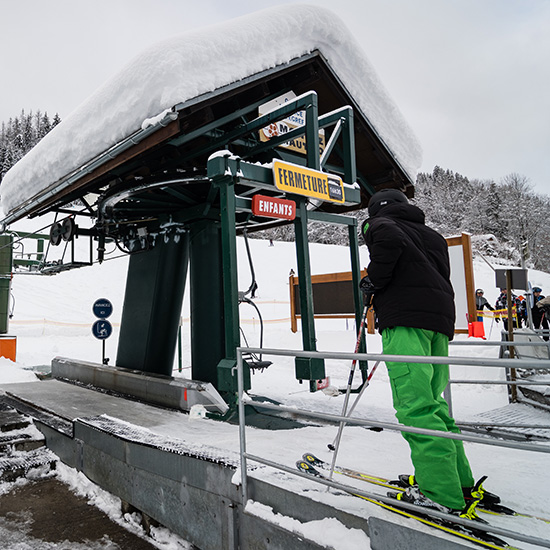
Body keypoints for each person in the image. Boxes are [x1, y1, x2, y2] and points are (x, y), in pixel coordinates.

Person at [361, 188, 499, 518]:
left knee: (416, 407)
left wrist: (372, 283)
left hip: (406, 323)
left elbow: (388, 241)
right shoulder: (432, 236)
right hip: (437, 324)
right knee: (435, 404)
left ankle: (440, 493)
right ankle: (458, 482)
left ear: (379, 210)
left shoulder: (380, 225)